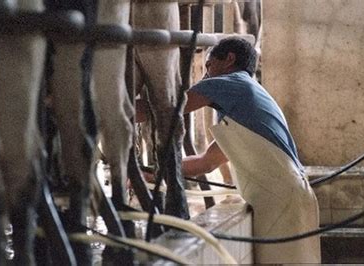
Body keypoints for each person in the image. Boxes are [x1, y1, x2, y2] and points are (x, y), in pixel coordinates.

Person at [136, 36, 321, 264]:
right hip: (293, 196)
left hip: (279, 199)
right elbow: (206, 162)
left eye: (209, 66)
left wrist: (110, 111)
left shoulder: (231, 83)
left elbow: (166, 109)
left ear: (229, 59)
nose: (205, 75)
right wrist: (152, 172)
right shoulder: (246, 102)